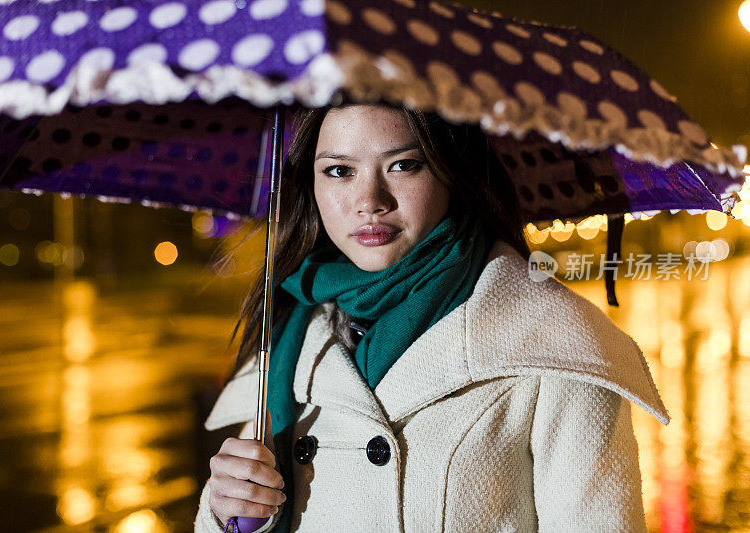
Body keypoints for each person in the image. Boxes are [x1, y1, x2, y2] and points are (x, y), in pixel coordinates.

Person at [194, 101, 669, 532]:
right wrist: (228, 512)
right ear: (310, 184)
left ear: (449, 171)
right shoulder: (289, 343)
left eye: (403, 164)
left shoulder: (556, 347)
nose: (370, 200)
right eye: (339, 170)